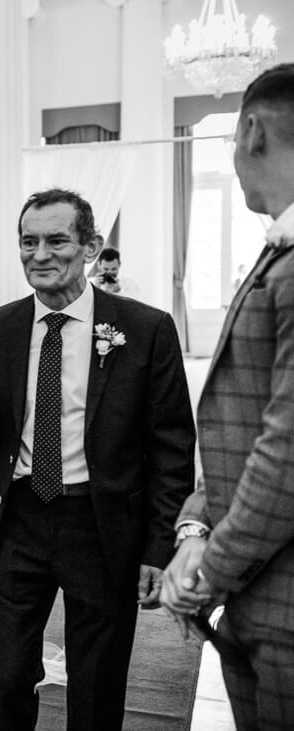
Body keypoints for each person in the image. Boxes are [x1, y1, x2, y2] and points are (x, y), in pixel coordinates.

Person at [0, 188, 195, 730]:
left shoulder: (145, 328)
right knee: (2, 675)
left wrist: (159, 545)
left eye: (57, 240)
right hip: (17, 520)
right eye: (28, 242)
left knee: (97, 683)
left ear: (91, 247)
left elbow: (171, 446)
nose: (40, 254)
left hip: (101, 524)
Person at [160, 63, 294, 729]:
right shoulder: (279, 251)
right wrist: (194, 528)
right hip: (262, 601)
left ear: (250, 131)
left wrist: (207, 569)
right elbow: (238, 430)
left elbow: (286, 450)